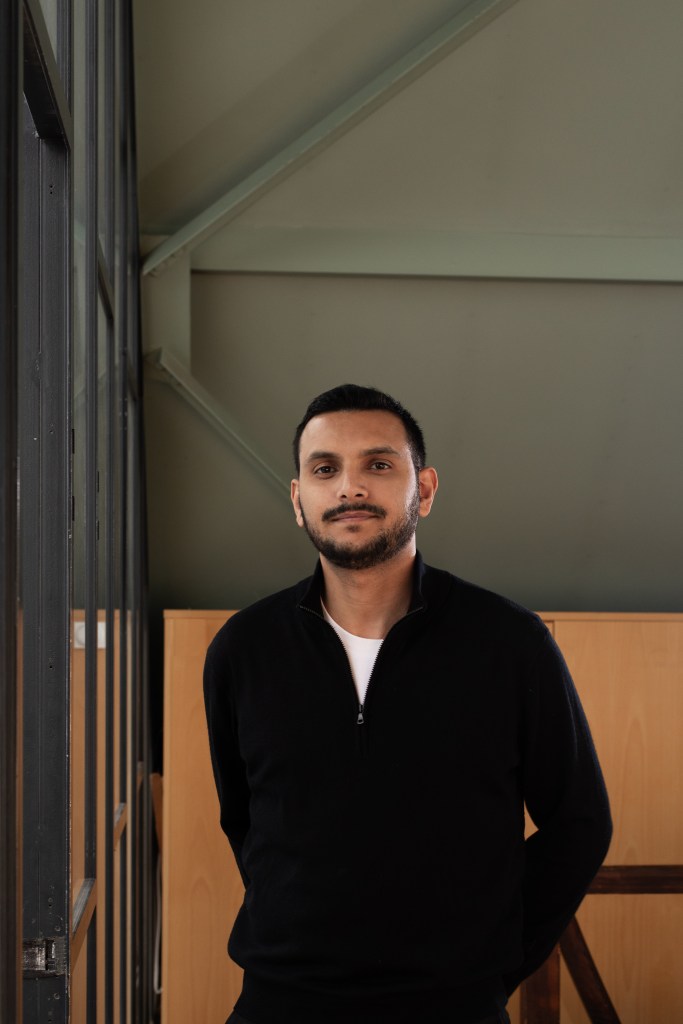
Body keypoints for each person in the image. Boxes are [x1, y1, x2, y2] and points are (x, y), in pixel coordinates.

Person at [203, 384, 612, 1024]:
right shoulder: (243, 649)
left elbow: (580, 822)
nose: (349, 488)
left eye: (378, 464)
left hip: (456, 1005)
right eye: (325, 469)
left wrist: (495, 962)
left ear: (423, 489)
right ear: (298, 498)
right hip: (280, 1002)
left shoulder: (510, 643)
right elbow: (245, 820)